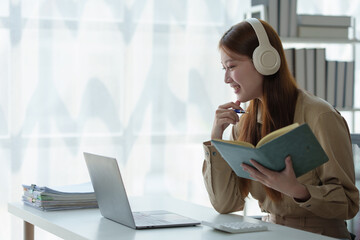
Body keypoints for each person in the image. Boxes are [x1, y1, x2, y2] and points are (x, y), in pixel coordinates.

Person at [202, 18, 359, 239]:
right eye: (223, 68)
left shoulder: (319, 116)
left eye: (232, 66)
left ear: (265, 60)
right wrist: (216, 138)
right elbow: (225, 204)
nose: (226, 78)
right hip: (271, 232)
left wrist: (297, 190)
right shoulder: (244, 122)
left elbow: (348, 204)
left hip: (320, 235)